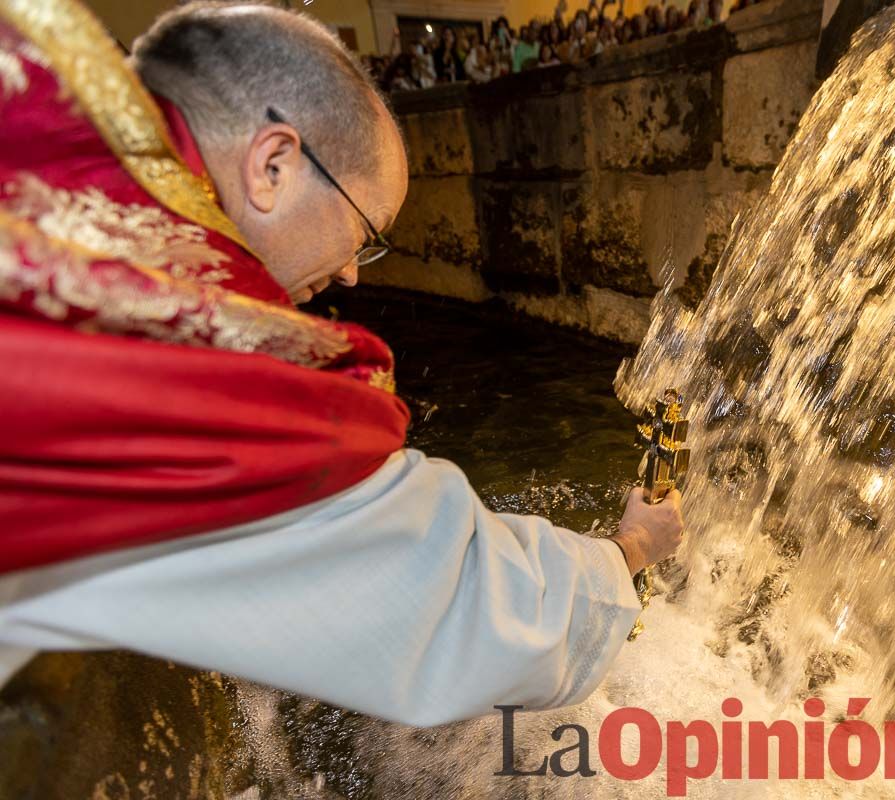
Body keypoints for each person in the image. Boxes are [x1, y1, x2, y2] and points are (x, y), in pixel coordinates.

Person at [0, 0, 684, 727]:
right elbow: (447, 602)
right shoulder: (184, 344)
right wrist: (630, 547)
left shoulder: (51, 155)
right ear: (273, 166)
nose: (355, 274)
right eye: (365, 230)